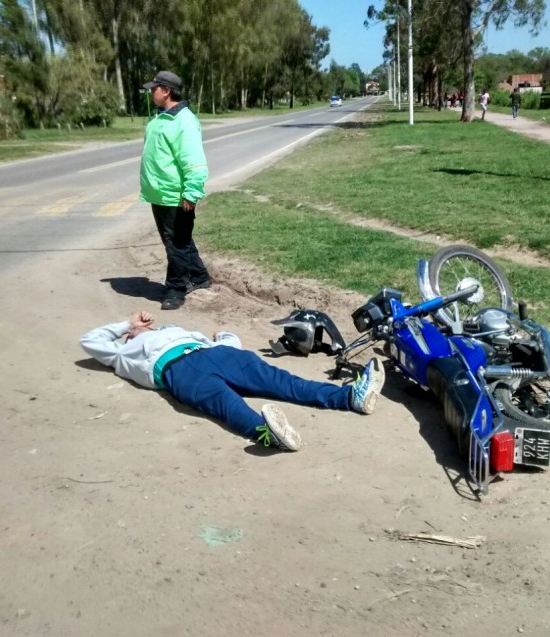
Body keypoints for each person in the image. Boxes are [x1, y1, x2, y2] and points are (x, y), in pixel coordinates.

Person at [79, 311, 385, 452]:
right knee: (225, 406)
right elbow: (90, 339)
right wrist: (126, 326)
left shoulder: (176, 331)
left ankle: (349, 399)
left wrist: (223, 337)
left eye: (136, 329)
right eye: (131, 332)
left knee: (282, 382)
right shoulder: (121, 353)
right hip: (177, 370)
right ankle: (270, 436)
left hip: (215, 352)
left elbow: (230, 341)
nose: (135, 331)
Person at [140, 70, 210, 311]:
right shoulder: (159, 118)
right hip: (159, 194)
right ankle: (199, 276)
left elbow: (194, 161)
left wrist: (191, 192)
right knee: (180, 240)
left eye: (154, 88)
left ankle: (176, 289)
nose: (151, 92)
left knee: (175, 244)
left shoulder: (184, 121)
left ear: (166, 90)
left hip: (175, 196)